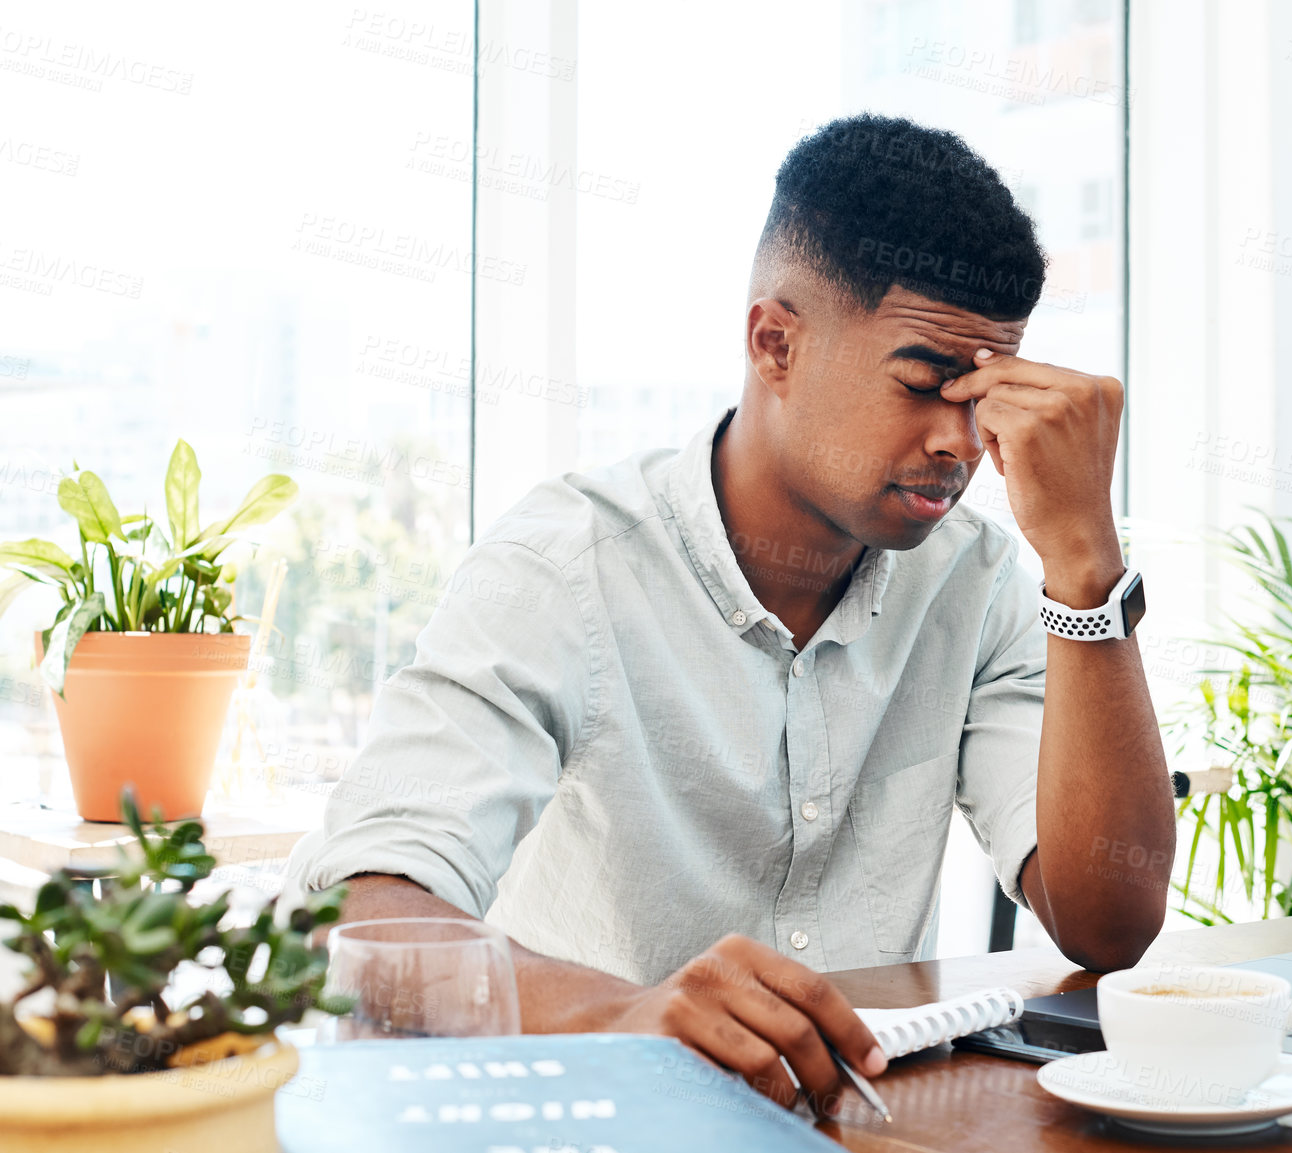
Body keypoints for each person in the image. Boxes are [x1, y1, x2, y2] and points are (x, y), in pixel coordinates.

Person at [286, 112, 1173, 1113]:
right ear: (773, 342)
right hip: (594, 1123)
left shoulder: (978, 583)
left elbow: (1110, 923)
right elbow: (355, 916)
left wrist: (1085, 563)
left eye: (983, 397)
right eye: (924, 384)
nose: (957, 444)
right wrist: (621, 1015)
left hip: (858, 1127)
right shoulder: (564, 566)